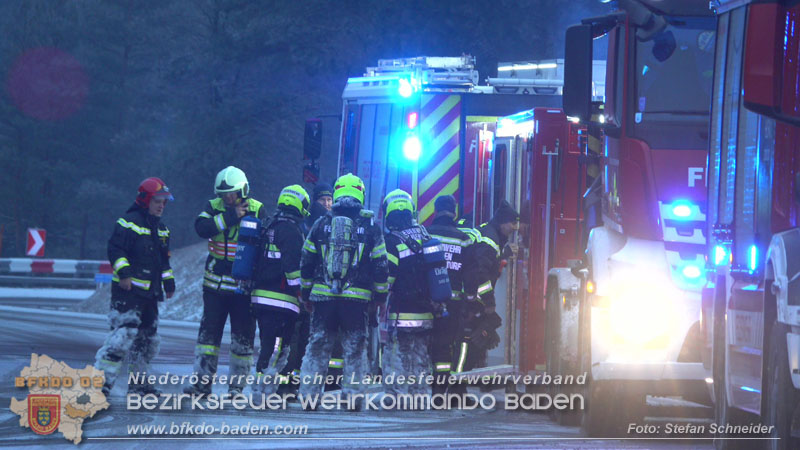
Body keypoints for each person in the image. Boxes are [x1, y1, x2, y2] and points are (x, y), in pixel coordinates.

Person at [298, 173, 388, 409]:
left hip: (323, 298)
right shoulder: (370, 228)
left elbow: (306, 261)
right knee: (355, 349)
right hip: (356, 301)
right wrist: (380, 297)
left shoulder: (320, 224)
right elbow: (381, 265)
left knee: (317, 346)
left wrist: (306, 294)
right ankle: (353, 398)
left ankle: (309, 396)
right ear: (361, 193)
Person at [184, 166, 266, 397]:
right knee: (207, 338)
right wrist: (232, 216)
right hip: (215, 286)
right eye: (224, 194)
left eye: (231, 193)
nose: (227, 198)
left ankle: (236, 388)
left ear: (243, 190)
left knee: (243, 339)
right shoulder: (213, 207)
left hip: (243, 287)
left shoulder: (258, 209)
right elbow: (202, 228)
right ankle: (201, 384)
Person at [95, 177, 175, 397]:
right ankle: (100, 384)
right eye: (157, 201)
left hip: (150, 295)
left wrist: (168, 281)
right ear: (145, 200)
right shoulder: (128, 223)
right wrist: (124, 274)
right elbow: (115, 250)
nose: (161, 206)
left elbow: (163, 261)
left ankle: (138, 385)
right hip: (128, 292)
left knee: (146, 341)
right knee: (121, 338)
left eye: (164, 202)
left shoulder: (162, 230)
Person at [251, 185, 309, 396]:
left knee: (267, 342)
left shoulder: (269, 226)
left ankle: (261, 384)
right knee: (278, 347)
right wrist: (303, 295)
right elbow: (293, 270)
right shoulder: (292, 232)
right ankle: (263, 388)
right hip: (282, 301)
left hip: (261, 298)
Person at [381, 189, 434, 397]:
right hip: (426, 311)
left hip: (402, 312)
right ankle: (419, 395)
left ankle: (394, 395)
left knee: (397, 353)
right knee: (420, 354)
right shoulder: (426, 235)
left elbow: (388, 278)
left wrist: (378, 297)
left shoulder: (392, 241)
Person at [425, 195, 478, 397]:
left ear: (436, 210)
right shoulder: (464, 239)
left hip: (426, 303)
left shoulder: (426, 235)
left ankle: (423, 386)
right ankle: (441, 389)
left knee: (424, 344)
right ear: (454, 212)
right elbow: (471, 274)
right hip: (453, 303)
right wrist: (471, 302)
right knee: (445, 346)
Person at [459, 201, 519, 371]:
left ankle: (459, 387)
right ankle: (458, 384)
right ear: (503, 222)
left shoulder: (490, 233)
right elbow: (481, 274)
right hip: (470, 299)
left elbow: (489, 259)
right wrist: (489, 302)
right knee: (469, 343)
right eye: (513, 223)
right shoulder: (490, 240)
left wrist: (505, 252)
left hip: (468, 296)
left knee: (475, 339)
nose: (515, 227)